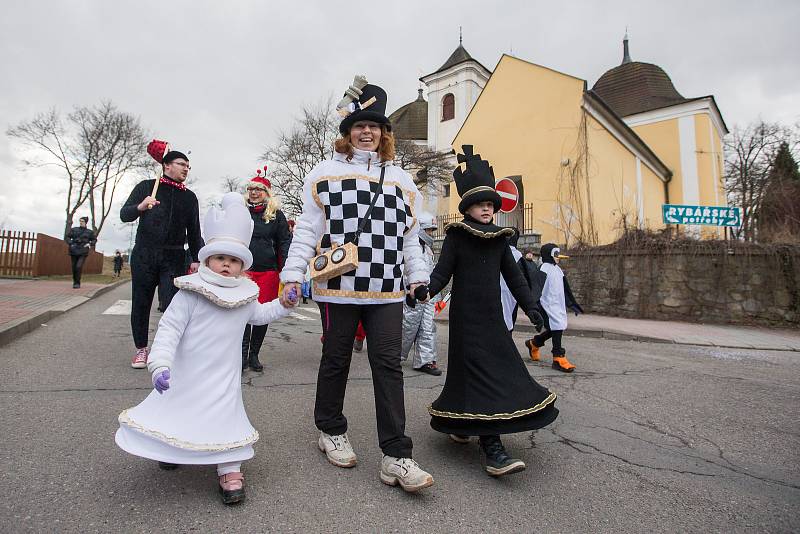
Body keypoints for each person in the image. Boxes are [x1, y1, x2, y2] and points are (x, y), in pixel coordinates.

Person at [279, 77, 434, 493]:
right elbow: (307, 231)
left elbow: (409, 238)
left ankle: (397, 455)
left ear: (384, 134)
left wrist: (418, 277)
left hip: (386, 290)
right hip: (338, 289)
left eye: (375, 127)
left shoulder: (403, 181)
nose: (367, 132)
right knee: (336, 360)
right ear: (347, 134)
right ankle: (330, 429)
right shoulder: (324, 173)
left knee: (388, 367)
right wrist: (292, 275)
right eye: (358, 126)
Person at [115, 192, 293, 505]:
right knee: (179, 410)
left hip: (224, 376)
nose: (227, 265)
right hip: (187, 371)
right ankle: (171, 446)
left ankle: (229, 467)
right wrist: (160, 364)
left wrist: (284, 304)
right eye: (221, 258)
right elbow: (169, 330)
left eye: (234, 260)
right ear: (208, 259)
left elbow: (261, 315)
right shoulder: (190, 293)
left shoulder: (246, 295)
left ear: (242, 266)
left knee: (226, 417)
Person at [415, 146, 559, 477]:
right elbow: (442, 273)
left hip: (494, 319)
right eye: (482, 205)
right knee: (477, 373)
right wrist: (426, 291)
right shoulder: (456, 236)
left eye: (491, 206)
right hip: (465, 320)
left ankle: (463, 423)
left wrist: (531, 308)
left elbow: (515, 278)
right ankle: (492, 446)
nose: (488, 210)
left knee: (492, 371)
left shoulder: (499, 239)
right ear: (468, 208)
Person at [120, 140, 203, 370]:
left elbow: (195, 232)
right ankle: (141, 349)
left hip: (174, 257)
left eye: (188, 166)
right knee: (141, 302)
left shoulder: (190, 197)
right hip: (145, 254)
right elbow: (124, 215)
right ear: (166, 165)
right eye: (181, 164)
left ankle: (166, 348)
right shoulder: (147, 187)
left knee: (172, 305)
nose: (186, 168)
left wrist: (197, 259)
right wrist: (140, 207)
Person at [241, 169, 292, 372]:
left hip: (268, 272)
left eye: (259, 189)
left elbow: (284, 242)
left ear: (267, 193)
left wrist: (286, 269)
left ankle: (254, 354)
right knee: (242, 312)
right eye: (251, 189)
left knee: (261, 315)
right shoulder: (241, 212)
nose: (254, 192)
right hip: (244, 271)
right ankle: (241, 355)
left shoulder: (276, 215)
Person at [523, 243, 584, 372]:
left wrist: (572, 304)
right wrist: (533, 307)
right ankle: (558, 357)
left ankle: (534, 343)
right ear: (549, 255)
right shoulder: (543, 269)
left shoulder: (558, 270)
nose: (558, 257)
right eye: (556, 254)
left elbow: (565, 289)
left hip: (558, 305)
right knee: (556, 327)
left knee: (557, 327)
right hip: (546, 305)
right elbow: (536, 289)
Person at [400, 212, 442, 376]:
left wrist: (434, 296)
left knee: (428, 327)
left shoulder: (428, 250)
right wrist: (408, 292)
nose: (431, 234)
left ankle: (425, 361)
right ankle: (393, 355)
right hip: (412, 295)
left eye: (432, 230)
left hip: (426, 295)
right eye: (429, 230)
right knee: (407, 328)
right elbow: (405, 272)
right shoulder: (410, 248)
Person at [65, 216, 96, 288]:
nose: (81, 222)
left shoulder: (89, 232)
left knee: (78, 266)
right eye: (80, 221)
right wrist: (71, 243)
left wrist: (90, 244)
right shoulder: (74, 229)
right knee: (74, 267)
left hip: (83, 251)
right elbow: (67, 237)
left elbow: (94, 240)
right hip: (74, 250)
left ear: (85, 222)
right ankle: (75, 281)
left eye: (82, 221)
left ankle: (77, 283)